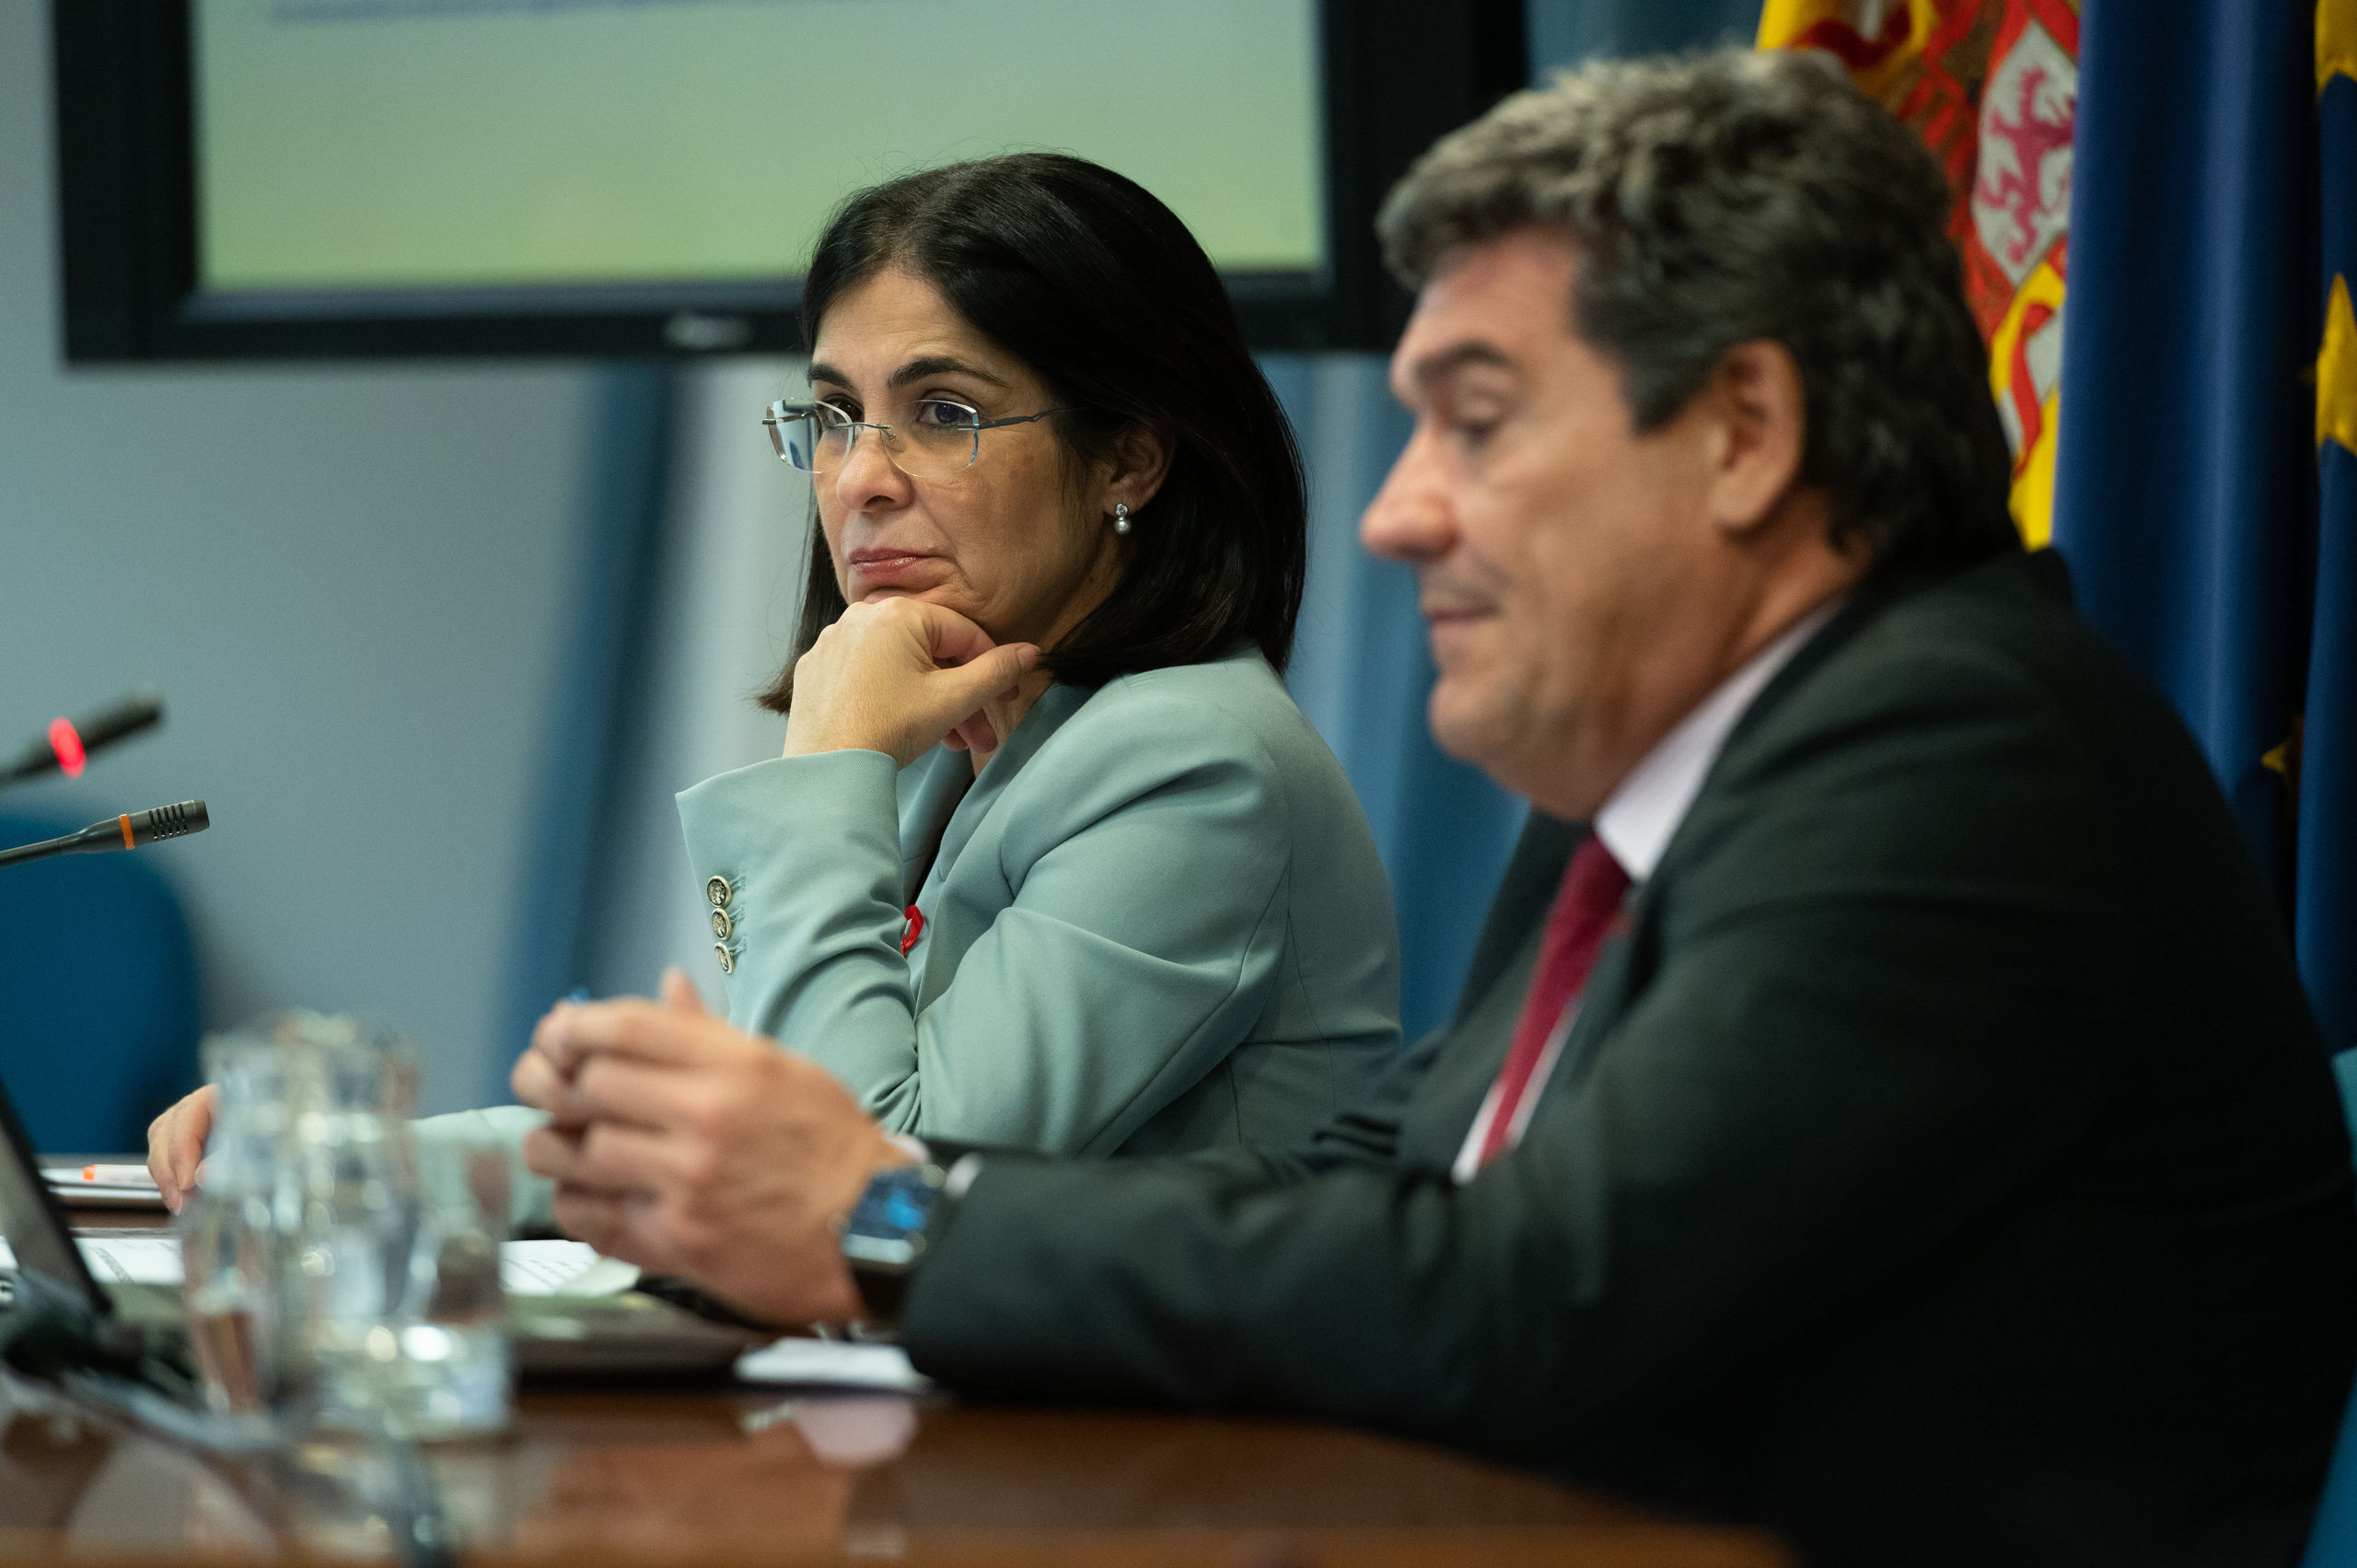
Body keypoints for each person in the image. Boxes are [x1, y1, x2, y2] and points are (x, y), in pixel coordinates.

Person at [512, 52, 2357, 1567]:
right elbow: (1367, 1194)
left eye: (1476, 420)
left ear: (1743, 430)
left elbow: (1530, 1298)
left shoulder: (1953, 760)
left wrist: (888, 1223)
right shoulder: (1671, 790)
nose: (1397, 513)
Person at [146, 154, 1401, 1208]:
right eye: (835, 417)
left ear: (1127, 459)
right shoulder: (975, 749)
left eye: (944, 413)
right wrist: (345, 1161)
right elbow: (725, 1138)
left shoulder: (1193, 765)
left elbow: (853, 1185)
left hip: (1170, 1435)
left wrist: (828, 767)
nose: (860, 479)